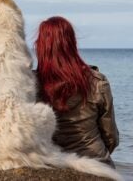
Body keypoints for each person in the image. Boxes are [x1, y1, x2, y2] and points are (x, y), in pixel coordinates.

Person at [34, 16, 119, 168]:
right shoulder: (97, 82)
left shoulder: (30, 84)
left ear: (40, 46)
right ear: (72, 44)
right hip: (96, 163)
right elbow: (111, 137)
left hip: (52, 163)